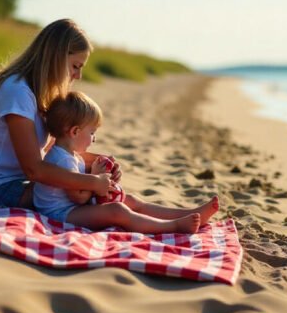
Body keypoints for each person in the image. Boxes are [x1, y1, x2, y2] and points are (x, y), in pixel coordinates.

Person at [0, 19, 119, 209]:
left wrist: (100, 163)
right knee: (84, 196)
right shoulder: (17, 92)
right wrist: (93, 182)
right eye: (75, 66)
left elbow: (57, 152)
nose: (78, 75)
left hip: (20, 182)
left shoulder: (40, 92)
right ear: (57, 58)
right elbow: (34, 169)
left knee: (97, 192)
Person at [35, 91, 219, 234]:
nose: (94, 139)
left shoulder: (70, 154)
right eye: (91, 133)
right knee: (117, 210)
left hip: (71, 208)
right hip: (61, 214)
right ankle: (173, 226)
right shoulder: (63, 160)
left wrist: (100, 180)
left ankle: (189, 213)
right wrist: (95, 178)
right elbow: (79, 197)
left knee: (130, 200)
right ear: (75, 132)